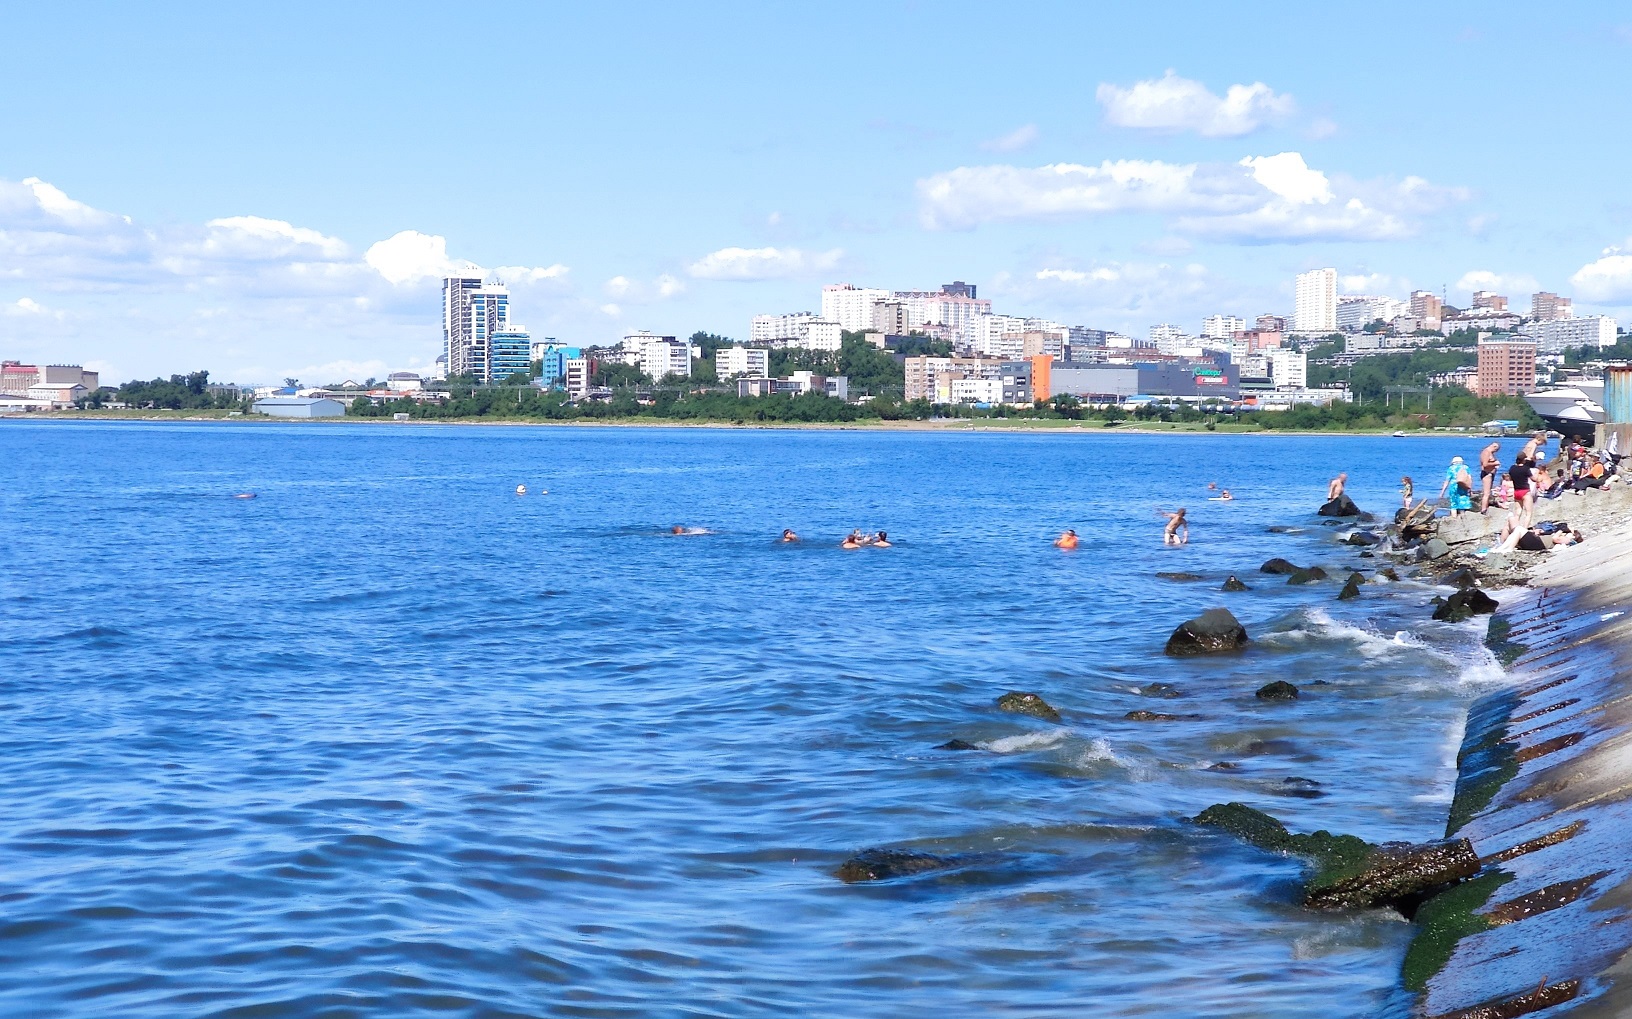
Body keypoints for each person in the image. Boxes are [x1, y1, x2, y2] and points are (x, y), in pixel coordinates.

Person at [1478, 441, 1501, 512]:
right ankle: (1483, 509)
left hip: (1490, 473)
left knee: (1488, 492)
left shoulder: (1490, 453)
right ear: (1494, 447)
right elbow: (1485, 464)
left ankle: (1486, 507)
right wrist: (1495, 463)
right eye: (1496, 450)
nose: (1495, 452)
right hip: (1486, 474)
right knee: (1487, 493)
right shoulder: (1486, 452)